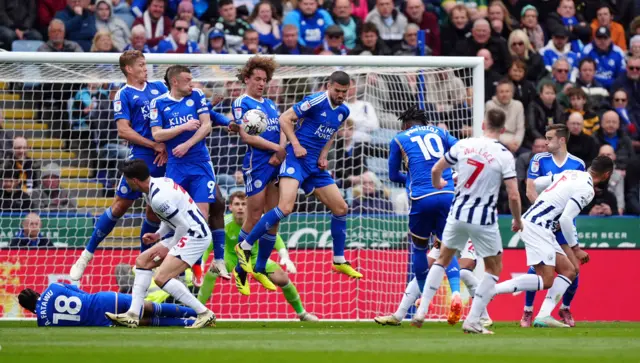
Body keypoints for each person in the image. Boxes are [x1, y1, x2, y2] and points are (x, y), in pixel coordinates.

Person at [235, 71, 362, 282]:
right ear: (328, 86)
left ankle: (339, 260)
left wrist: (323, 155)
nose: (340, 95)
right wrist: (294, 144)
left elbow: (330, 133)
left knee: (341, 208)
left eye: (344, 92)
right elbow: (285, 118)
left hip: (314, 165)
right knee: (285, 208)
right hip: (295, 159)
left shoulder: (343, 111)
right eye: (337, 91)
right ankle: (245, 246)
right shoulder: (315, 101)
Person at [411, 108, 522, 334]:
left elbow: (436, 169)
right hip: (484, 218)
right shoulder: (504, 154)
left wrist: (437, 184)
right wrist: (517, 219)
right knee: (493, 268)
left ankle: (422, 310)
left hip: (457, 213)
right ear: (503, 129)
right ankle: (473, 320)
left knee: (442, 259)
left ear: (483, 124)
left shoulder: (463, 145)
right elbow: (513, 194)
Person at [70, 50, 168, 281]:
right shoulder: (123, 94)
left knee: (154, 211)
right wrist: (152, 144)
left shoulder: (159, 88)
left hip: (164, 158)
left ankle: (143, 266)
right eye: (141, 65)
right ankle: (86, 254)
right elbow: (123, 130)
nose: (146, 68)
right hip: (141, 157)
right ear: (129, 69)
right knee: (119, 207)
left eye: (146, 64)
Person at [494, 156, 613, 328]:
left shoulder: (571, 173)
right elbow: (566, 219)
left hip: (539, 224)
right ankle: (492, 291)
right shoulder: (587, 189)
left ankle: (543, 315)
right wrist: (576, 249)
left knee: (569, 270)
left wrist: (545, 203)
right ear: (606, 175)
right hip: (538, 226)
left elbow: (539, 182)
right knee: (546, 279)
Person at [377, 105, 463, 325]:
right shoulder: (441, 132)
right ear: (424, 123)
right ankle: (455, 292)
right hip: (447, 194)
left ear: (406, 125)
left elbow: (392, 174)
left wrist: (410, 178)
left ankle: (424, 301)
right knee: (447, 246)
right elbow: (461, 151)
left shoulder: (399, 138)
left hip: (421, 198)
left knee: (418, 248)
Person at [105, 159, 216, 329]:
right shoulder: (154, 187)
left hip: (195, 235)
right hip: (186, 232)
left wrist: (169, 248)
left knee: (161, 278)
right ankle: (133, 315)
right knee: (142, 262)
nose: (125, 182)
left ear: (134, 180)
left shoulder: (158, 197)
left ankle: (203, 313)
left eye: (126, 179)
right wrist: (158, 235)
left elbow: (182, 225)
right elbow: (171, 218)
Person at [150, 65, 227, 284]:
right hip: (175, 166)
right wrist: (182, 128)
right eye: (187, 79)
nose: (191, 83)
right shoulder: (159, 104)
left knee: (202, 215)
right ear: (175, 81)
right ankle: (187, 263)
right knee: (178, 216)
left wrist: (188, 144)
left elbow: (206, 125)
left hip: (200, 163)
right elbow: (157, 134)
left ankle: (198, 263)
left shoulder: (197, 96)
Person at [197, 191, 318, 321]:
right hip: (231, 258)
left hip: (254, 258)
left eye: (244, 204)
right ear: (230, 207)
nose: (240, 207)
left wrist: (285, 256)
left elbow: (275, 238)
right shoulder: (225, 223)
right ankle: (198, 312)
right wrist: (201, 262)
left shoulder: (256, 221)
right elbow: (210, 244)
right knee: (213, 270)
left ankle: (302, 313)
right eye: (237, 204)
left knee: (282, 278)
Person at [227, 56, 285, 294]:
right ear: (247, 79)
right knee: (254, 216)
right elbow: (247, 136)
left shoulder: (271, 104)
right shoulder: (242, 102)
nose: (262, 83)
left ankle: (259, 267)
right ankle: (241, 272)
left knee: (274, 218)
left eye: (265, 79)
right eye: (257, 79)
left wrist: (280, 153)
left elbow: (283, 129)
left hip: (275, 162)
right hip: (257, 164)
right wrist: (274, 150)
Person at [522, 123, 585, 327]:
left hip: (565, 225)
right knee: (540, 267)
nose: (545, 142)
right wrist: (546, 216)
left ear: (562, 140)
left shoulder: (578, 164)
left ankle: (564, 307)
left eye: (549, 138)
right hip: (543, 223)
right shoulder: (538, 160)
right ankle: (528, 311)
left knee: (574, 269)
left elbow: (579, 196)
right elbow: (530, 191)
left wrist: (561, 219)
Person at [18, 283, 198, 327]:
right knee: (149, 307)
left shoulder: (43, 322)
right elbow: (79, 293)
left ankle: (189, 323)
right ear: (36, 292)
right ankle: (198, 312)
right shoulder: (53, 287)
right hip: (102, 300)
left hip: (101, 320)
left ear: (27, 308)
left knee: (147, 321)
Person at [485, 79, 525, 154]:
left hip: (515, 143)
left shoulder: (518, 105)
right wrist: (507, 144)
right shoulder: (490, 105)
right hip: (496, 141)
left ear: (512, 93)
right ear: (497, 93)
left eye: (507, 91)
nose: (504, 94)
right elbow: (489, 129)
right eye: (501, 92)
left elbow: (520, 128)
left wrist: (516, 144)